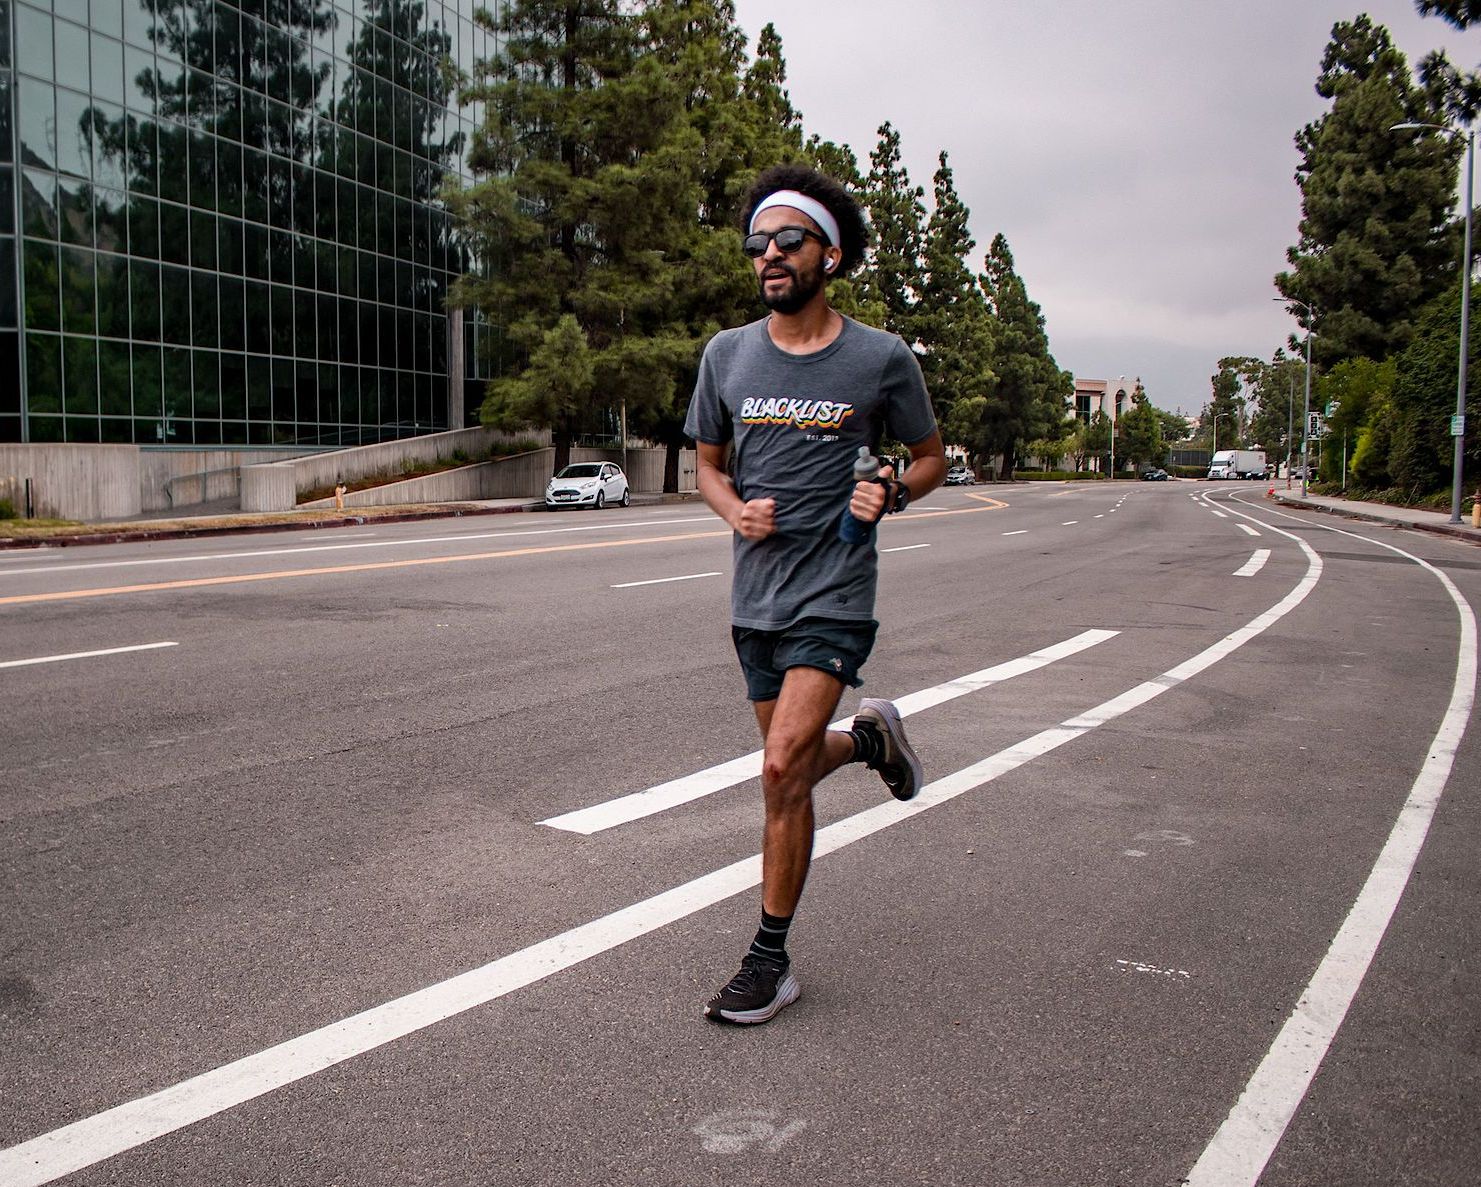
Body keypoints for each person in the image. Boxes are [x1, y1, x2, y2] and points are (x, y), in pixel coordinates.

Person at [683, 163, 947, 1025]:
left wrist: (894, 491)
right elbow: (708, 469)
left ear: (827, 255)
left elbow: (930, 455)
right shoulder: (726, 354)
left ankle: (769, 959)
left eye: (785, 241)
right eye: (756, 243)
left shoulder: (879, 357)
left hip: (833, 588)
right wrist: (735, 513)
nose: (767, 255)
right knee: (791, 770)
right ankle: (870, 743)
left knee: (775, 768)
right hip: (753, 595)